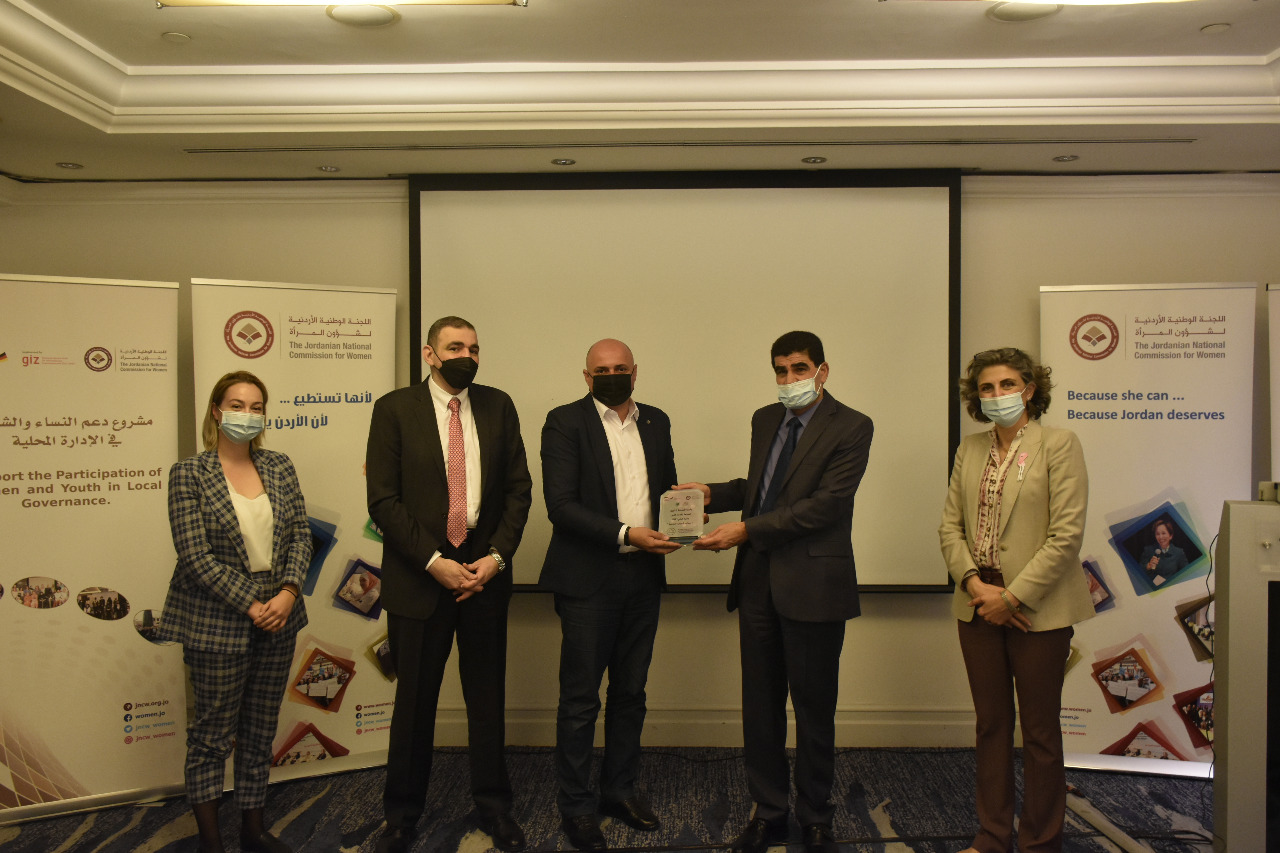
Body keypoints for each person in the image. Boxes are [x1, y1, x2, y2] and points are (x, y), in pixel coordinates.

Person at [678, 330, 873, 853]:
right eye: (781, 371)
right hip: (758, 582)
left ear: (822, 371)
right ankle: (769, 814)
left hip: (814, 585)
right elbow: (765, 490)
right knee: (760, 708)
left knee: (813, 710)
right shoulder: (766, 418)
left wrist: (745, 531)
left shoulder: (852, 425)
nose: (790, 380)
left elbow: (826, 505)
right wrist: (713, 493)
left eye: (799, 369)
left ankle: (816, 818)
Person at [366, 316, 533, 853]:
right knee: (414, 704)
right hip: (421, 579)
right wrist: (433, 561)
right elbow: (383, 500)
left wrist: (496, 558)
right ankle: (401, 817)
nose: (467, 357)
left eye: (474, 349)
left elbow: (518, 491)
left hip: (484, 576)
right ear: (429, 354)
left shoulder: (498, 405)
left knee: (486, 701)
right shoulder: (394, 409)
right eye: (455, 347)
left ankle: (495, 808)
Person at [938, 347, 1094, 853]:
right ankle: (992, 836)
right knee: (991, 726)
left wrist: (1013, 597)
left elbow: (1066, 536)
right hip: (977, 605)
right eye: (987, 387)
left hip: (1037, 609)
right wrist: (974, 584)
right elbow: (950, 528)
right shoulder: (969, 449)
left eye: (1007, 385)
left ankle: (1040, 842)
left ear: (1028, 390)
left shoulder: (1059, 444)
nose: (997, 394)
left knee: (1041, 732)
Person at [158, 370, 311, 853]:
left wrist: (288, 592)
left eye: (256, 407)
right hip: (217, 619)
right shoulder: (188, 473)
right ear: (216, 411)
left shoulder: (280, 466)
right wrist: (251, 603)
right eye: (237, 405)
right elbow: (194, 556)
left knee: (260, 729)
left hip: (280, 615)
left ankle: (253, 830)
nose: (247, 414)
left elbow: (301, 535)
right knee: (211, 736)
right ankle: (212, 842)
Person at [539, 339, 682, 851]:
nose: (612, 375)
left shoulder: (656, 420)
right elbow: (561, 506)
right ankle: (577, 807)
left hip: (644, 577)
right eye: (602, 370)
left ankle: (619, 791)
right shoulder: (564, 422)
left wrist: (683, 517)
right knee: (580, 701)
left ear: (635, 372)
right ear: (587, 377)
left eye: (621, 368)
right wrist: (627, 534)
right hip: (588, 581)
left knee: (630, 693)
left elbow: (666, 489)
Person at [1136, 519, 1188, 585]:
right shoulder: (1148, 550)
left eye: (1163, 533)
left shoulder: (1179, 552)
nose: (1160, 537)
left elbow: (1187, 573)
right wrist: (1148, 566)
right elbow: (1138, 573)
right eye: (1157, 534)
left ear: (1171, 536)